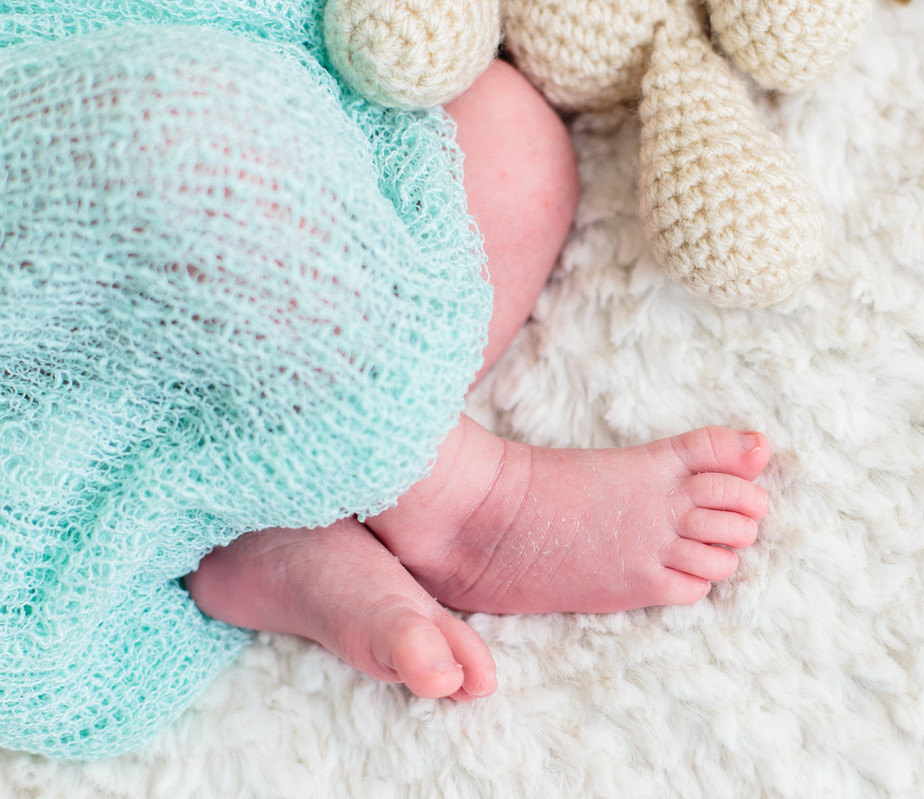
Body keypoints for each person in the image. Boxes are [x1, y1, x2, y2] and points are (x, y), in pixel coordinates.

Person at [0, 1, 769, 756]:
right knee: (180, 142)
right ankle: (465, 501)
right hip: (56, 331)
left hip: (277, 82)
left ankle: (271, 515)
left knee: (510, 147)